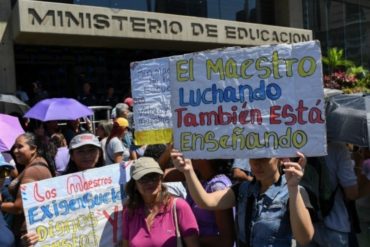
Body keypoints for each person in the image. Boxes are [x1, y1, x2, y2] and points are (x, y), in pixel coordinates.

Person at [171, 150, 314, 247]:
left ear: (279, 159)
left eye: (264, 158)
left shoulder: (294, 191)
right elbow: (205, 201)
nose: (257, 164)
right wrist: (188, 170)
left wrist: (293, 188)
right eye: (253, 157)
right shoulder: (242, 189)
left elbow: (304, 238)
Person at [122, 157, 200, 247]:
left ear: (160, 179)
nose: (150, 182)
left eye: (154, 177)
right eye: (143, 179)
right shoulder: (130, 212)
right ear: (135, 184)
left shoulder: (179, 206)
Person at [1, 133, 55, 246]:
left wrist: (0, 204)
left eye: (20, 146)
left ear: (33, 149)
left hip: (28, 236)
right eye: (14, 147)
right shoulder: (37, 164)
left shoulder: (33, 170)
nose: (15, 151)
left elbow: (19, 208)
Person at [304, 142, 359, 247]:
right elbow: (351, 193)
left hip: (305, 224)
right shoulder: (338, 148)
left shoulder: (298, 145)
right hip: (336, 225)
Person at [186, 159, 235, 247]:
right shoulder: (203, 181)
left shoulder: (218, 187)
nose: (189, 156)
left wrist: (189, 241)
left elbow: (226, 241)